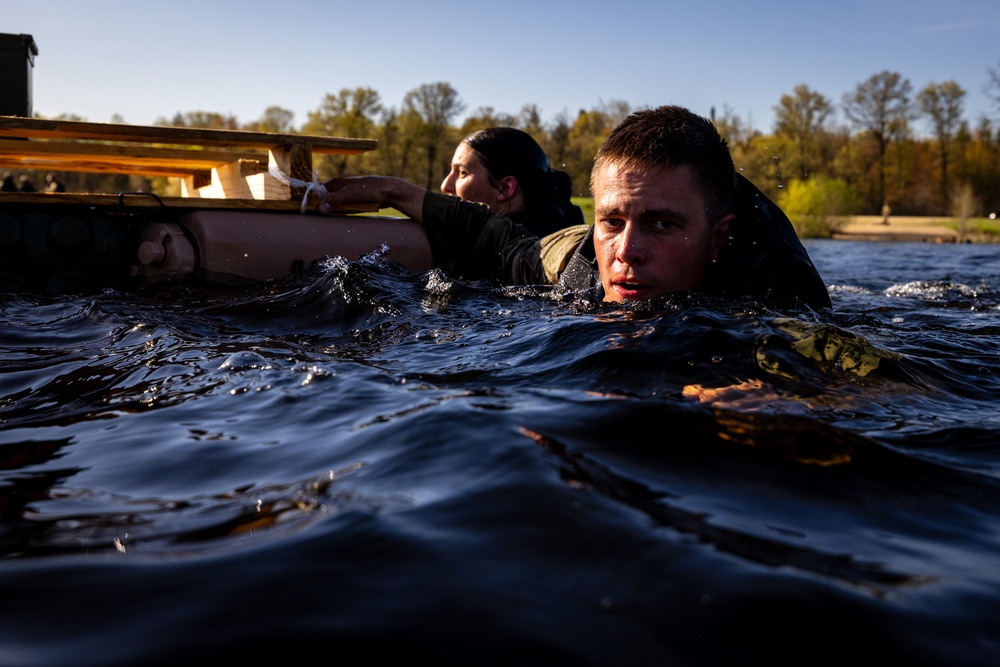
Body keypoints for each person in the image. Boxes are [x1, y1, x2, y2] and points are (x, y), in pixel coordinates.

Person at [318, 105, 830, 310]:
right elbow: (499, 242)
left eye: (662, 225)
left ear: (718, 237)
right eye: (613, 221)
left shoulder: (777, 290)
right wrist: (398, 193)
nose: (627, 252)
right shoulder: (580, 259)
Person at [440, 127, 584, 237]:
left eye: (462, 172)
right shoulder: (560, 230)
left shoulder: (506, 257)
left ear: (506, 187)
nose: (445, 185)